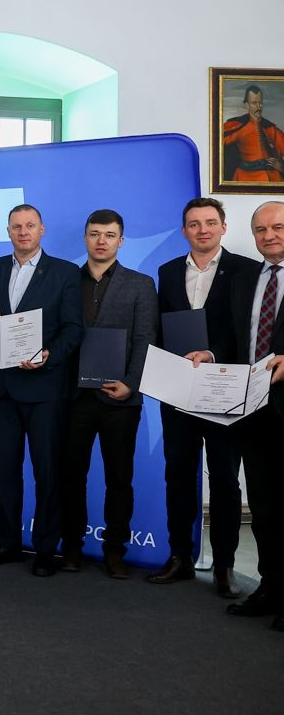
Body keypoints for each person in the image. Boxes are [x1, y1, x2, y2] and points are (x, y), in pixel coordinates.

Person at [148, 198, 257, 596]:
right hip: (178, 389)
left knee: (225, 479)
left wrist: (212, 354)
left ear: (223, 227)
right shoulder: (167, 271)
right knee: (177, 474)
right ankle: (180, 556)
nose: (203, 230)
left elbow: (246, 329)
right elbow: (161, 326)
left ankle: (225, 565)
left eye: (210, 222)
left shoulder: (246, 270)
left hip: (224, 388)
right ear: (184, 231)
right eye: (194, 224)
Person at [0, 204, 83, 578]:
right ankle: (7, 542)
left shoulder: (65, 272)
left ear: (42, 230)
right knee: (4, 471)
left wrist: (49, 355)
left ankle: (46, 549)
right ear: (8, 231)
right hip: (1, 389)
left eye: (30, 226)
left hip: (45, 389)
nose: (23, 232)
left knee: (47, 472)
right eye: (17, 226)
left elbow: (73, 328)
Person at [60, 209, 158, 579]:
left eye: (110, 234)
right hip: (74, 398)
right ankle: (71, 547)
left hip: (120, 399)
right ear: (85, 238)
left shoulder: (141, 284)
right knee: (72, 477)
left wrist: (131, 382)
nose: (101, 241)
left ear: (121, 240)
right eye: (95, 233)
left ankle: (115, 551)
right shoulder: (66, 280)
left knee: (119, 479)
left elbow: (145, 338)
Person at [214, 201, 284, 631]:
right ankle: (271, 586)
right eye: (261, 229)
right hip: (253, 410)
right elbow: (236, 340)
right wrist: (212, 356)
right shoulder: (244, 279)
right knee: (263, 505)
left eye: (277, 227)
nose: (269, 235)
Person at [223, 85, 284, 183]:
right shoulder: (236, 126)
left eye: (260, 103)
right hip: (244, 178)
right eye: (254, 103)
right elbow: (216, 146)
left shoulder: (270, 128)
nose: (258, 107)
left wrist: (281, 167)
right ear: (247, 105)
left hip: (273, 178)